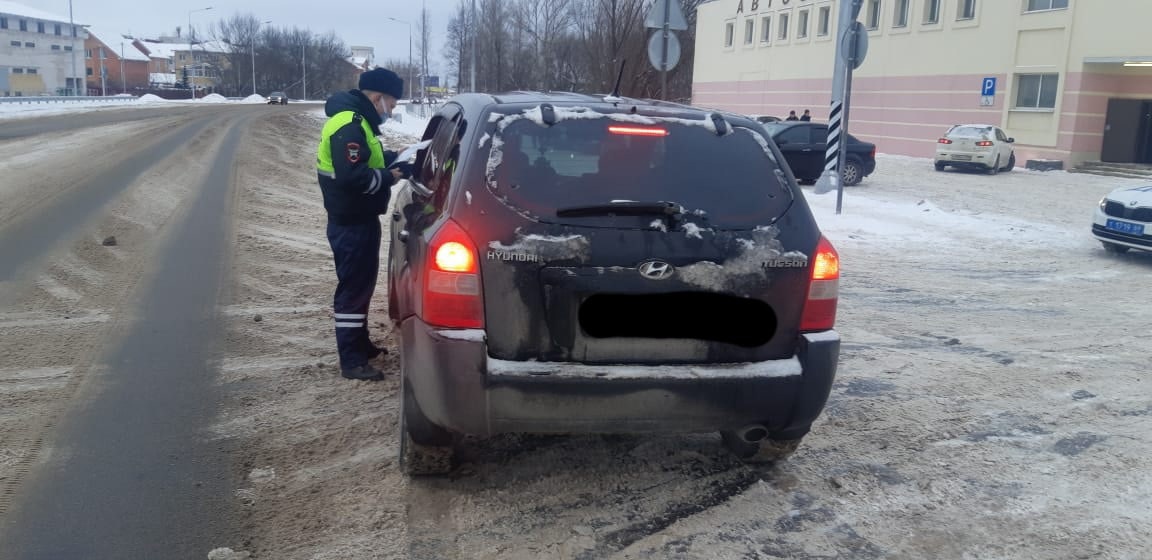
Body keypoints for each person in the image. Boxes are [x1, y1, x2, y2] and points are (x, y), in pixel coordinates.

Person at [315, 67, 410, 381]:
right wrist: (390, 177)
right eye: (392, 104)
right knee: (353, 291)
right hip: (350, 223)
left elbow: (372, 160)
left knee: (361, 287)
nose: (391, 110)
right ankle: (352, 360)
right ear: (378, 97)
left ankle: (360, 343)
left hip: (360, 220)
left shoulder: (360, 123)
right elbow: (353, 177)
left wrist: (399, 158)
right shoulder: (350, 125)